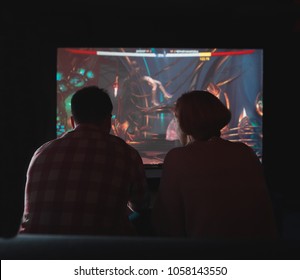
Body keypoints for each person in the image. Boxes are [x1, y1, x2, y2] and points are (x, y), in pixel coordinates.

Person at [19, 86, 149, 236]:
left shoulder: (41, 152)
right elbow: (140, 205)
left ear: (72, 121)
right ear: (108, 121)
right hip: (102, 253)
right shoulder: (126, 153)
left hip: (36, 252)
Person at [151, 90, 278, 240]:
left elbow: (167, 223)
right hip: (257, 252)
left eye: (176, 119)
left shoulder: (177, 158)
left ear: (184, 124)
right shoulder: (245, 152)